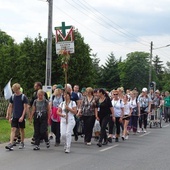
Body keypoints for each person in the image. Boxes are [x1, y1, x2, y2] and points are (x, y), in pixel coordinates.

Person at [5, 83, 28, 151]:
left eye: (16, 90)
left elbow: (25, 108)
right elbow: (10, 106)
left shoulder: (23, 97)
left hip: (21, 116)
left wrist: (22, 116)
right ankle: (11, 143)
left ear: (18, 89)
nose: (15, 92)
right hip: (14, 115)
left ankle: (22, 142)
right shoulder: (12, 97)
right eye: (14, 90)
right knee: (13, 129)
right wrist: (8, 115)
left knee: (21, 129)